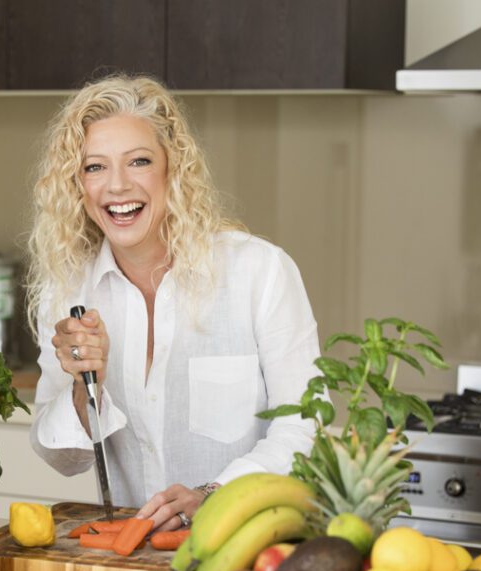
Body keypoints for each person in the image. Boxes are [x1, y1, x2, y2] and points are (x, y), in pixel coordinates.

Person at [25, 74, 321, 533]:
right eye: (94, 167)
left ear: (173, 168)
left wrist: (214, 494)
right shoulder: (68, 292)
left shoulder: (259, 273)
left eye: (138, 161)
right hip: (133, 561)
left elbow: (303, 428)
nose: (117, 187)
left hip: (252, 547)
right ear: (76, 184)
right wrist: (88, 385)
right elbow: (62, 459)